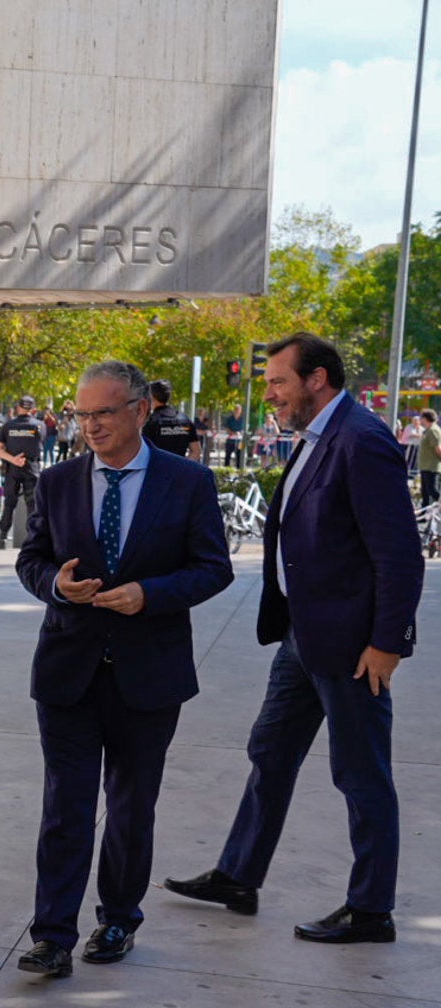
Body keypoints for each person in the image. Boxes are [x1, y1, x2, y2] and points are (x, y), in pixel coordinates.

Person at [164, 333, 423, 944]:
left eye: (279, 381)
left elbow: (399, 555)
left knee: (361, 774)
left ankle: (371, 909)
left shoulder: (361, 441)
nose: (271, 393)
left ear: (318, 379)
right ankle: (238, 874)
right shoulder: (318, 437)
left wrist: (387, 643)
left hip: (352, 646)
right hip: (302, 638)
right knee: (270, 753)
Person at [12, 361, 234, 978]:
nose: (90, 426)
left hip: (149, 674)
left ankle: (117, 919)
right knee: (66, 807)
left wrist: (150, 594)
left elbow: (214, 568)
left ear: (140, 411)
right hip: (67, 671)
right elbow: (31, 560)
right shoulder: (56, 482)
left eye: (104, 413)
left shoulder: (187, 483)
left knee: (132, 805)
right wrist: (55, 585)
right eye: (82, 414)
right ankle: (52, 935)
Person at [0, 395, 43, 550]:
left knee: (9, 504)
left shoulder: (8, 426)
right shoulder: (39, 426)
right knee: (32, 506)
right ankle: (33, 541)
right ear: (33, 409)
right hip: (31, 469)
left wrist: (13, 459)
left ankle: (3, 537)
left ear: (18, 407)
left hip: (12, 469)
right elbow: (40, 444)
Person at [142, 380, 199, 460]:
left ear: (152, 397)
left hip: (159, 470)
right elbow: (196, 451)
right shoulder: (185, 420)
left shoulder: (150, 422)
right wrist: (183, 468)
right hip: (180, 470)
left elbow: (142, 453)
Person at [419, 408, 440, 507]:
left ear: (426, 418)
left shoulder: (433, 430)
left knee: (432, 490)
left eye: (421, 417)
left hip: (431, 465)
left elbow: (438, 448)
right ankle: (424, 514)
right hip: (425, 465)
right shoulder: (427, 431)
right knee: (425, 491)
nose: (420, 420)